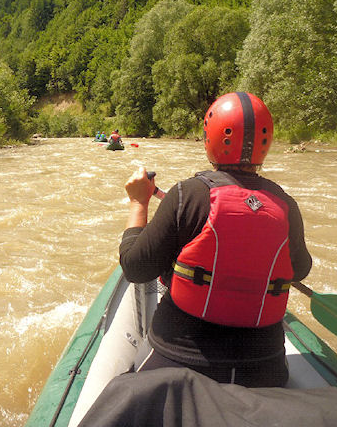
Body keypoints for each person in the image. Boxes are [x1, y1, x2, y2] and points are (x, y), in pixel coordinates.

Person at [119, 92, 312, 387]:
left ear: (210, 139)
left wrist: (139, 203)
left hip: (181, 360)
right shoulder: (286, 205)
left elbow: (135, 268)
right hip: (264, 368)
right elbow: (299, 270)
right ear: (266, 144)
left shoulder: (187, 195)